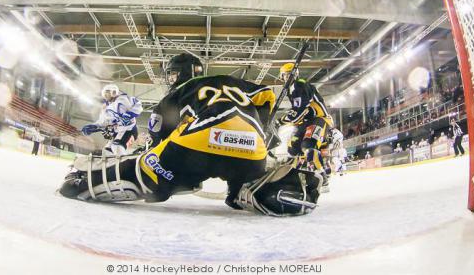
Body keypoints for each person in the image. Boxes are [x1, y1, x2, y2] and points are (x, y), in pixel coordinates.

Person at [59, 53, 322, 216]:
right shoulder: (239, 85)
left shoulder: (181, 91)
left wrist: (155, 161)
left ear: (182, 74)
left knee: (149, 171)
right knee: (246, 179)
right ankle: (253, 189)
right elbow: (267, 111)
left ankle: (86, 180)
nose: (171, 78)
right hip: (251, 150)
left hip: (197, 148)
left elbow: (157, 135)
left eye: (173, 73)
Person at [277, 62, 334, 181]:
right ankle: (293, 176)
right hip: (305, 121)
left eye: (289, 75)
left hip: (318, 119)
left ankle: (322, 176)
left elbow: (300, 110)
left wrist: (281, 121)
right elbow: (297, 112)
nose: (287, 78)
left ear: (295, 75)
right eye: (285, 75)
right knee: (293, 149)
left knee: (308, 146)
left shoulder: (300, 85)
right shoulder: (292, 89)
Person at [81, 83, 142, 156]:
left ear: (114, 92)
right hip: (117, 132)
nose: (106, 95)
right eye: (105, 93)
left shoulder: (123, 99)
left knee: (117, 147)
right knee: (107, 151)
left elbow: (138, 104)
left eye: (107, 93)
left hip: (129, 130)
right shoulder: (106, 108)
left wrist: (129, 114)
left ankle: (125, 165)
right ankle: (110, 166)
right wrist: (94, 126)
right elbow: (103, 122)